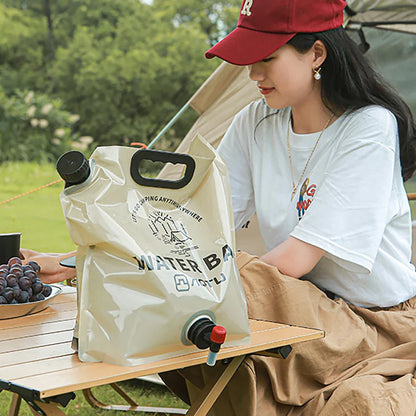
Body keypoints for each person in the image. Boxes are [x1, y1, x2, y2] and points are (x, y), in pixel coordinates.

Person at [160, 0, 416, 414]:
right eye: (249, 59)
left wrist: (206, 278)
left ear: (317, 53)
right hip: (303, 308)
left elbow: (296, 260)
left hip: (374, 322)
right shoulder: (253, 123)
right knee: (172, 290)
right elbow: (197, 221)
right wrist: (84, 262)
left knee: (226, 285)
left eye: (267, 58)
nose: (253, 74)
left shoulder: (369, 126)